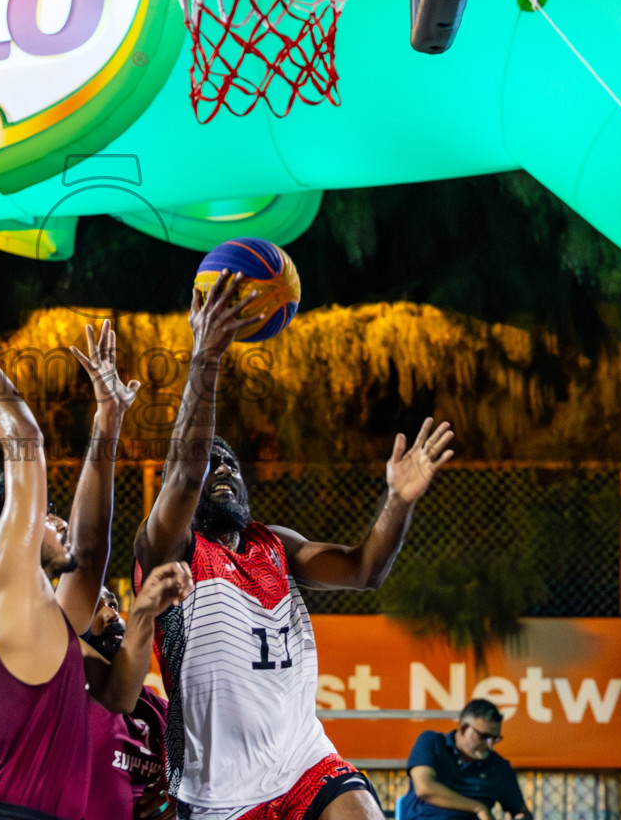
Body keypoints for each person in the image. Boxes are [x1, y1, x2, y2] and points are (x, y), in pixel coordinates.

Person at [133, 272, 456, 820]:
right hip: (218, 793)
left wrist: (399, 500)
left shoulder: (275, 544)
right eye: (209, 463)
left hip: (305, 761)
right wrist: (206, 356)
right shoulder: (166, 549)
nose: (223, 471)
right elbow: (184, 479)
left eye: (232, 464)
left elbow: (365, 569)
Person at [0, 313, 193, 820]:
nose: (56, 520)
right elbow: (26, 444)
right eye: (44, 513)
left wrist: (108, 420)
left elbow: (121, 692)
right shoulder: (6, 583)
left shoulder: (38, 625)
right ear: (10, 532)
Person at [83, 587, 171, 820]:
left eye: (112, 604)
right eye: (93, 608)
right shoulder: (63, 700)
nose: (111, 614)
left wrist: (181, 787)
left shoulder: (162, 711)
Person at [399, 701, 531, 820]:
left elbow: (521, 811)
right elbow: (424, 788)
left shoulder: (498, 767)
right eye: (483, 737)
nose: (490, 745)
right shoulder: (432, 742)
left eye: (495, 739)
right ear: (463, 728)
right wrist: (478, 807)